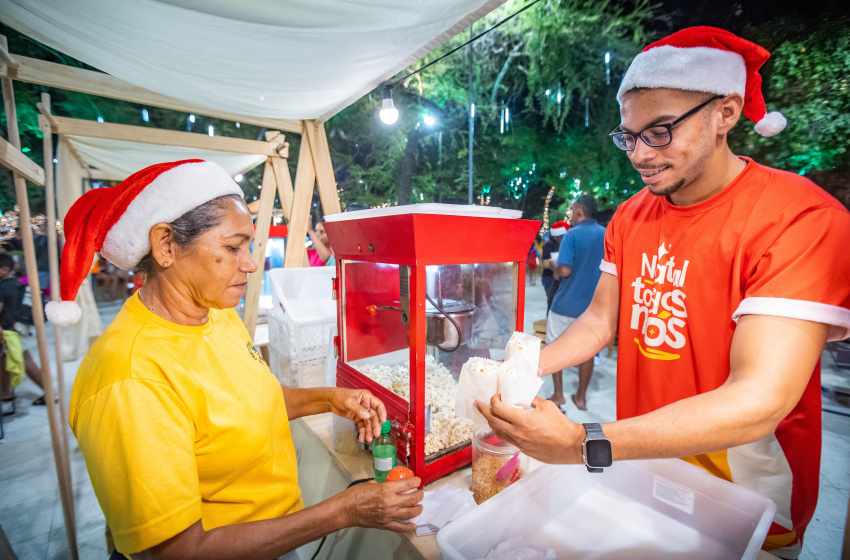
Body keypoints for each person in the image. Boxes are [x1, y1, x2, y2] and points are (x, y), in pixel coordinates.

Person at [474, 27, 850, 559]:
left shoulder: (801, 219)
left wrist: (586, 442)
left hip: (744, 490)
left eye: (660, 131)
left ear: (726, 112)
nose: (639, 154)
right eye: (629, 135)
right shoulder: (632, 214)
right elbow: (599, 322)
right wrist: (518, 371)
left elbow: (760, 399)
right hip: (640, 466)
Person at [48, 160, 423, 560]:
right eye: (232, 247)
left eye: (248, 246)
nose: (249, 262)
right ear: (166, 245)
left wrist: (330, 399)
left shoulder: (215, 312)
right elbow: (181, 551)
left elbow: (250, 399)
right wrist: (345, 509)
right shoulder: (130, 379)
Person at [545, 198, 605, 411]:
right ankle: (581, 397)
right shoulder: (606, 234)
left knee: (554, 345)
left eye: (572, 211)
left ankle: (558, 394)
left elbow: (566, 271)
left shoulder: (572, 235)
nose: (571, 214)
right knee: (588, 352)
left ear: (579, 211)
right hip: (594, 306)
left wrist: (555, 268)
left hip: (567, 304)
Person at [0, 252, 46, 407]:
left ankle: (49, 393)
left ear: (5, 269)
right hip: (20, 327)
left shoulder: (2, 287)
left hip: (11, 330)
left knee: (26, 361)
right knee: (5, 361)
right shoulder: (19, 284)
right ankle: (6, 394)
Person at [541, 220, 569, 313]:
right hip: (550, 277)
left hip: (562, 277)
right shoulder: (549, 245)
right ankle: (549, 321)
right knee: (552, 301)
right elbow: (544, 263)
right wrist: (553, 264)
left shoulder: (567, 244)